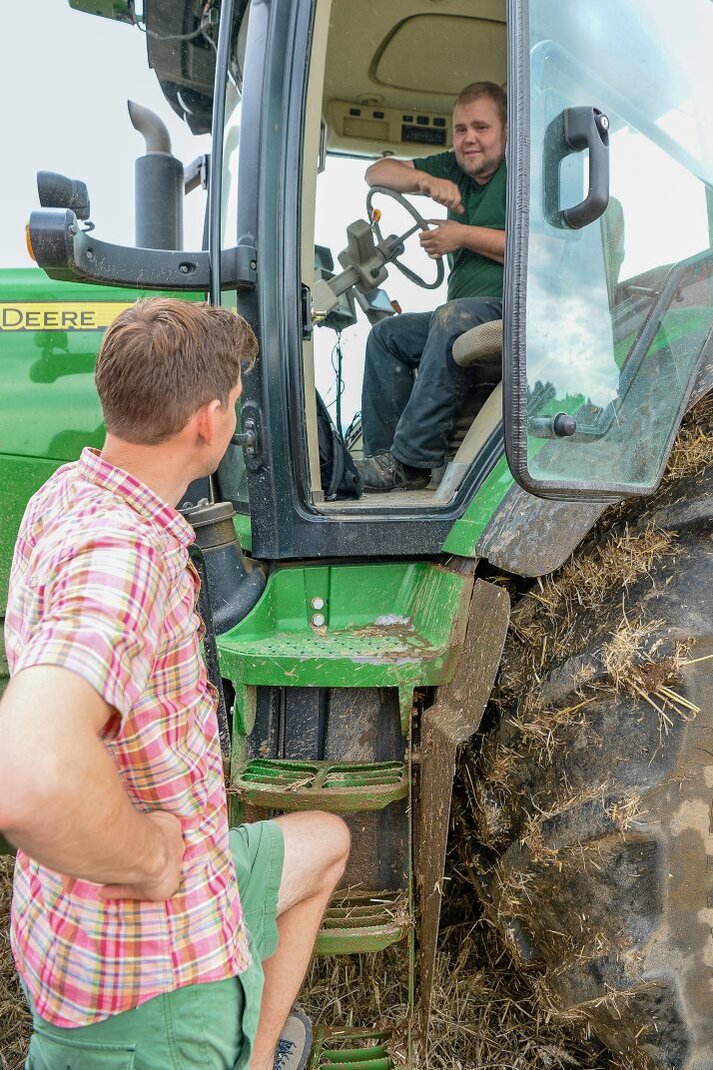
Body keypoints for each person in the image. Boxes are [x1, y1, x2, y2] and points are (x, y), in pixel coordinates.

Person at [0, 298, 350, 1070]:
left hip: (155, 889)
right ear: (208, 421)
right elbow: (27, 782)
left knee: (325, 842)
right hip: (151, 987)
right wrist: (153, 861)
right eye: (234, 400)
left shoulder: (68, 493)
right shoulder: (122, 557)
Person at [358, 81, 507, 492]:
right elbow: (375, 172)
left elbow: (541, 251)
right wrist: (424, 180)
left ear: (507, 131)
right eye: (460, 129)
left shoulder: (522, 172)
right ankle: (383, 462)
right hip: (463, 316)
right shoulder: (457, 167)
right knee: (388, 335)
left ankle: (412, 460)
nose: (469, 138)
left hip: (515, 310)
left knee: (450, 317)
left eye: (481, 127)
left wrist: (462, 236)